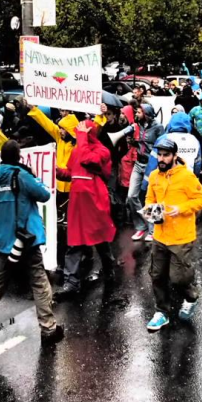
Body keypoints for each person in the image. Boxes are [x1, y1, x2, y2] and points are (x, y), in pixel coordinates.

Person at [0, 140, 63, 348]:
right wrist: (32, 175)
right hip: (26, 240)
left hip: (3, 243)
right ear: (18, 157)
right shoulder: (21, 176)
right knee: (39, 281)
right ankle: (48, 328)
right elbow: (44, 194)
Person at [143, 136, 202, 330]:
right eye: (160, 155)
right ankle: (161, 312)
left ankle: (191, 297)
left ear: (174, 156)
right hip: (160, 235)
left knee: (179, 278)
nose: (162, 159)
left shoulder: (186, 176)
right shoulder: (155, 176)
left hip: (181, 237)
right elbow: (149, 197)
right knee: (157, 275)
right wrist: (149, 210)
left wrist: (180, 208)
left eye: (166, 155)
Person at [58, 121, 118, 297]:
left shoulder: (102, 150)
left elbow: (88, 160)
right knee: (74, 242)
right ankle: (71, 282)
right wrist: (55, 171)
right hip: (77, 203)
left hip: (94, 202)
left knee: (100, 241)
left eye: (82, 131)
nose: (78, 134)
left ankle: (109, 270)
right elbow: (71, 172)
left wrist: (82, 138)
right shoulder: (78, 149)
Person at [123, 103, 165, 242]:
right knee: (131, 196)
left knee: (151, 197)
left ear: (146, 114)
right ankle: (141, 227)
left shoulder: (158, 127)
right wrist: (133, 143)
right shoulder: (137, 126)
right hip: (138, 164)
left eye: (139, 112)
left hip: (151, 165)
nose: (137, 114)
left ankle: (154, 229)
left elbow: (162, 146)